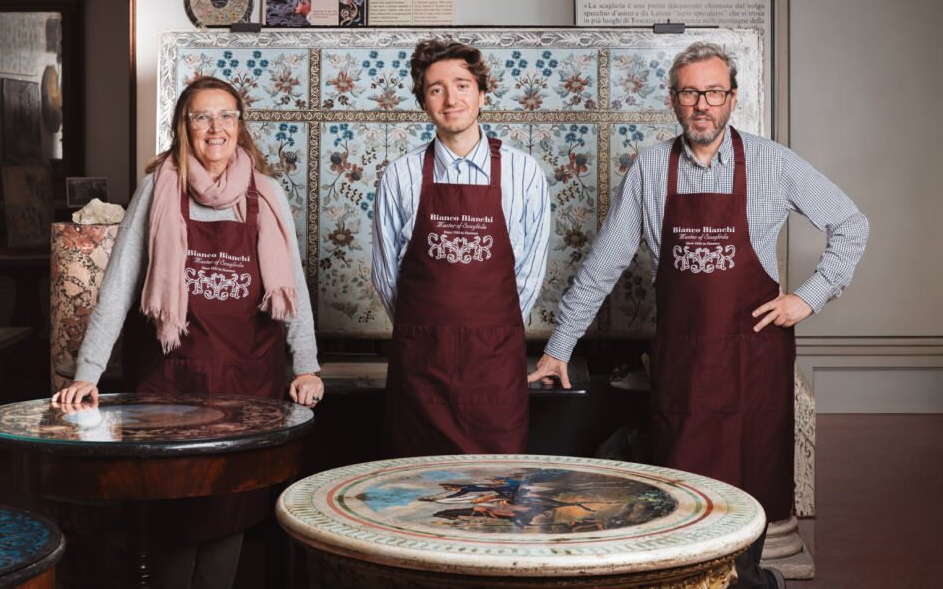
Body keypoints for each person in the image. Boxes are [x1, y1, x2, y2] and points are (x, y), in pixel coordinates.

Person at [529, 42, 868, 589]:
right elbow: (603, 265)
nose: (702, 104)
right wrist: (558, 346)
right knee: (682, 492)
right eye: (690, 92)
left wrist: (809, 296)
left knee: (751, 484)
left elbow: (852, 225)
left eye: (713, 92)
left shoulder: (773, 163)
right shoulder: (649, 169)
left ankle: (753, 582)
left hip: (754, 360)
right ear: (673, 100)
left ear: (732, 98)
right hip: (685, 363)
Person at [52, 76, 322, 588]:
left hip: (246, 381)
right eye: (202, 117)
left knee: (230, 507)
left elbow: (295, 290)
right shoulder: (158, 188)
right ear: (185, 126)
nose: (215, 127)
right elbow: (119, 283)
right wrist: (88, 373)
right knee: (170, 508)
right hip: (170, 380)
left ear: (240, 127)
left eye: (226, 116)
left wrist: (305, 364)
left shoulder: (267, 194)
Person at [372, 38, 550, 457]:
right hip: (420, 370)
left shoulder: (524, 173)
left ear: (482, 94)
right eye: (436, 89)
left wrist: (489, 331)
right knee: (416, 498)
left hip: (495, 370)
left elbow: (528, 274)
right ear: (424, 103)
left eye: (462, 85)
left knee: (497, 497)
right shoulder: (399, 175)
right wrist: (425, 330)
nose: (451, 98)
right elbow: (385, 277)